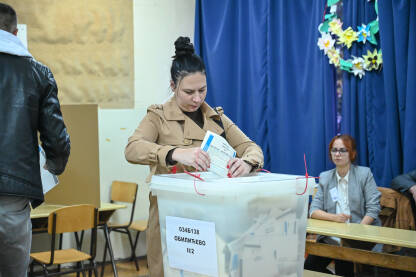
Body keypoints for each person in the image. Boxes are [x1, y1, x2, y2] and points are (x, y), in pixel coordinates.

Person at [125, 36, 264, 276]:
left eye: (202, 90)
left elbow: (251, 147)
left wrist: (247, 163)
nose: (197, 99)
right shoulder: (157, 117)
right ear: (173, 86)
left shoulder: (217, 118)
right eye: (189, 92)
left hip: (211, 216)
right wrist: (175, 153)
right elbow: (132, 149)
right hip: (171, 217)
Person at [0, 3, 70, 277]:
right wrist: (53, 166)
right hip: (14, 196)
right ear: (16, 32)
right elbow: (56, 138)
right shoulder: (39, 73)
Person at [304, 134, 381, 276]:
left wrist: (356, 232)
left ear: (352, 153)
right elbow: (313, 211)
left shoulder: (364, 174)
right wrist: (335, 218)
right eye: (334, 150)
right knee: (308, 267)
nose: (337, 154)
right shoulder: (325, 177)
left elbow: (373, 209)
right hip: (331, 237)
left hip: (359, 236)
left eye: (343, 150)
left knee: (344, 265)